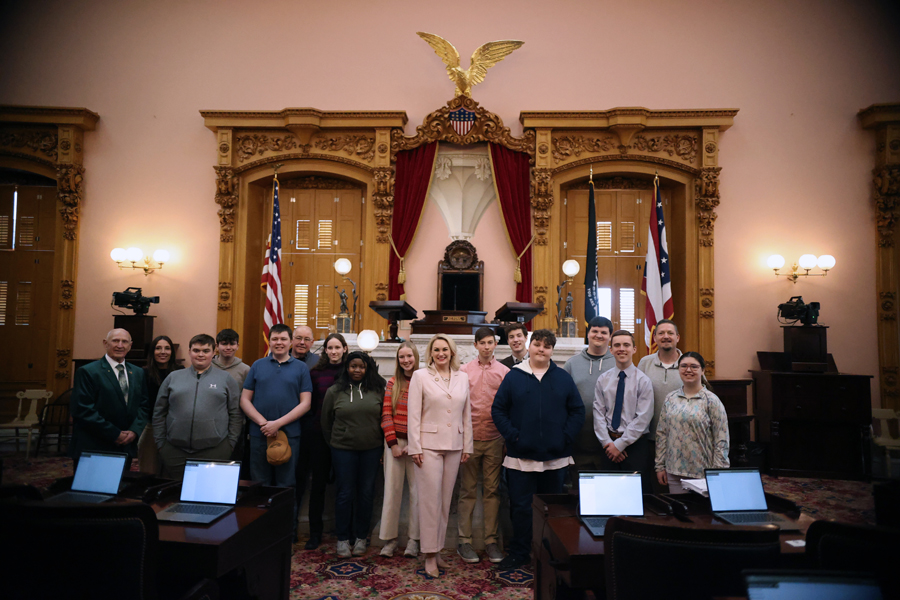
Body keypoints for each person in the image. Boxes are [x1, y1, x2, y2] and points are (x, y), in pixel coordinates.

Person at [491, 329, 584, 570]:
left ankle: (548, 552)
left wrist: (564, 438)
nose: (541, 349)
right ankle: (520, 552)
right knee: (521, 508)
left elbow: (577, 410)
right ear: (530, 346)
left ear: (552, 351)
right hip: (521, 457)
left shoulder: (562, 377)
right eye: (538, 344)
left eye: (547, 346)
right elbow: (498, 410)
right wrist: (514, 436)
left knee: (550, 509)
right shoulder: (514, 376)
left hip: (555, 458)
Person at [408, 334, 473, 578]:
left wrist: (467, 445)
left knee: (445, 503)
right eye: (436, 350)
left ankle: (438, 550)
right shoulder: (420, 376)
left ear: (452, 352)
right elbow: (414, 414)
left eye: (445, 349)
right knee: (429, 503)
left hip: (455, 445)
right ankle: (429, 555)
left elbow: (466, 413)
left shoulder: (463, 377)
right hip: (428, 446)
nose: (441, 353)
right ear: (431, 353)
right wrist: (415, 446)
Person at [240, 324, 312, 537]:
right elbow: (244, 400)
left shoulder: (301, 368)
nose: (278, 343)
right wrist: (264, 423)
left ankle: (284, 535)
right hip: (259, 434)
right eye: (274, 339)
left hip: (289, 436)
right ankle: (261, 535)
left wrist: (277, 424)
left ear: (290, 342)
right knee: (259, 485)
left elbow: (305, 403)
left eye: (283, 339)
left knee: (286, 486)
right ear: (269, 341)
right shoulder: (257, 366)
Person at [321, 351, 386, 557]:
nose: (357, 370)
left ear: (368, 369)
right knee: (344, 493)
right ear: (346, 368)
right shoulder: (334, 391)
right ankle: (342, 539)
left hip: (371, 449)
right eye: (353, 366)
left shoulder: (378, 389)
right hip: (343, 450)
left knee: (366, 494)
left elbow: (384, 419)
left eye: (361, 367)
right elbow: (326, 422)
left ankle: (360, 537)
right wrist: (336, 442)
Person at [152, 334, 243, 480]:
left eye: (206, 351)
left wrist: (230, 444)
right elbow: (159, 412)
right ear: (189, 352)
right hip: (174, 451)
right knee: (174, 494)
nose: (200, 354)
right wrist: (161, 443)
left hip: (215, 450)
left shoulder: (226, 379)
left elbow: (235, 413)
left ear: (214, 353)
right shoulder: (173, 377)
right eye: (196, 350)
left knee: (208, 494)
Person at [457, 327, 509, 564]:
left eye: (491, 342)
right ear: (475, 345)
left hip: (495, 437)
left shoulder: (505, 372)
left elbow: (509, 406)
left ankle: (490, 541)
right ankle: (464, 541)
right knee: (467, 491)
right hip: (470, 438)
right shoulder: (463, 371)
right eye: (483, 343)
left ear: (495, 344)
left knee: (492, 491)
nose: (487, 347)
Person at [70, 329, 150, 466]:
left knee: (122, 486)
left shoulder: (138, 372)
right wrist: (114, 434)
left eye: (124, 342)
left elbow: (144, 404)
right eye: (115, 341)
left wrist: (134, 431)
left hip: (126, 446)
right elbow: (82, 410)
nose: (120, 345)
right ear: (105, 343)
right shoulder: (88, 372)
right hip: (94, 446)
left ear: (130, 345)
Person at [298, 332, 347, 550]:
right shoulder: (315, 373)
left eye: (338, 347)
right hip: (318, 436)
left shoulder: (352, 371)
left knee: (344, 486)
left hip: (346, 437)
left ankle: (344, 532)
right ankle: (315, 533)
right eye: (330, 348)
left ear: (345, 349)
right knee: (317, 485)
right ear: (325, 350)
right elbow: (310, 405)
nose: (334, 352)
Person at [655, 352, 730, 493]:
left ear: (702, 370)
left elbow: (721, 440)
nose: (688, 370)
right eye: (684, 366)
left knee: (701, 514)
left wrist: (717, 472)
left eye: (693, 367)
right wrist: (660, 466)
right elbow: (662, 434)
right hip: (674, 471)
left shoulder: (711, 401)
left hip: (702, 473)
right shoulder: (670, 398)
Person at [593, 330, 655, 492]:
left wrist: (620, 445)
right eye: (617, 345)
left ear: (634, 349)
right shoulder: (603, 379)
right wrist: (609, 444)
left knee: (635, 494)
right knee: (609, 494)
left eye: (626, 345)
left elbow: (643, 418)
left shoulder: (643, 381)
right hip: (608, 444)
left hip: (635, 446)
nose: (622, 349)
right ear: (610, 349)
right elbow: (598, 415)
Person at [378, 342, 422, 558]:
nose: (405, 360)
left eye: (409, 356)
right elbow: (386, 415)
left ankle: (414, 539)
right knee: (392, 493)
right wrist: (393, 444)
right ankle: (390, 539)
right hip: (394, 446)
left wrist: (415, 444)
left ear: (415, 357)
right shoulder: (392, 383)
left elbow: (427, 417)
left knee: (417, 494)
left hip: (418, 447)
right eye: (401, 357)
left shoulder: (424, 381)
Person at [563, 316, 615, 476]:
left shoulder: (617, 363)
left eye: (604, 332)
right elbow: (563, 399)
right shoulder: (572, 364)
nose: (599, 335)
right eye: (595, 331)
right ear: (588, 333)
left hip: (610, 442)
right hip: (578, 440)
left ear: (610, 336)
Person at [138, 335, 183, 474]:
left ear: (172, 352)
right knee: (148, 469)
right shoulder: (143, 373)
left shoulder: (181, 371)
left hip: (174, 426)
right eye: (158, 348)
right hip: (150, 425)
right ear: (152, 352)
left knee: (172, 469)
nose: (163, 352)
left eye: (167, 348)